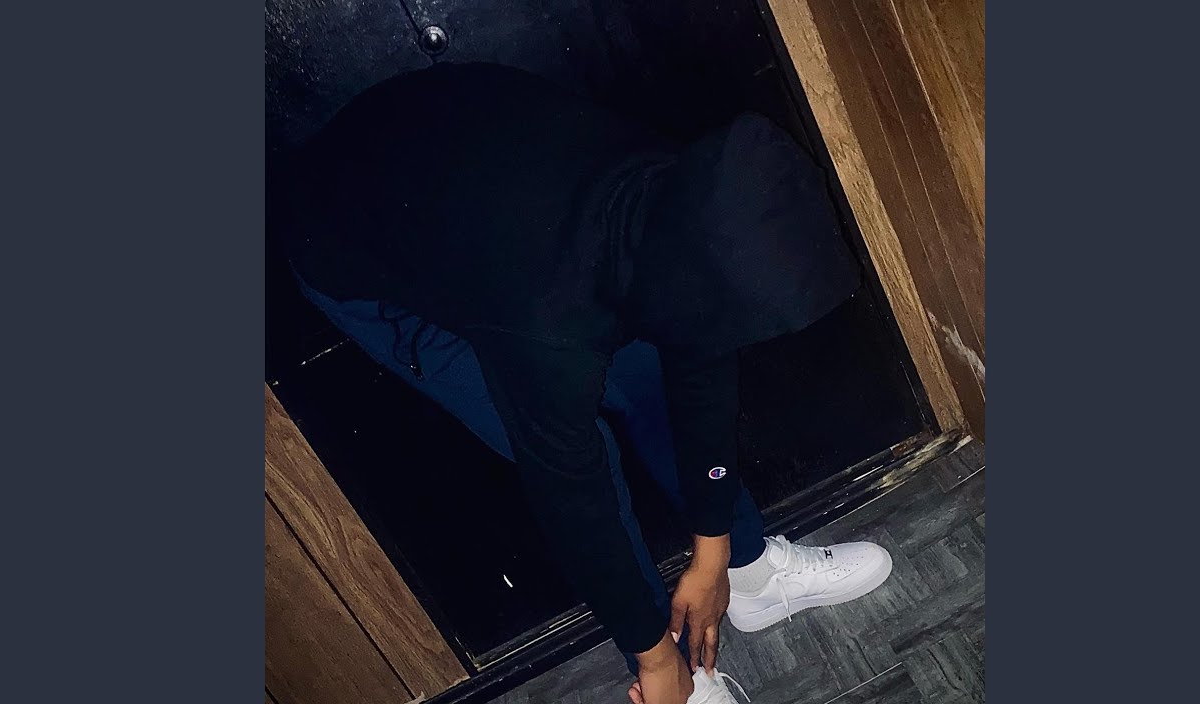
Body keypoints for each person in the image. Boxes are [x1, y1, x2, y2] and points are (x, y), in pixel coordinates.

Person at [283, 62, 894, 704]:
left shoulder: (693, 197)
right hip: (356, 242)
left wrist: (714, 550)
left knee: (655, 383)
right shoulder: (543, 323)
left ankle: (752, 577)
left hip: (463, 168)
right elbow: (577, 504)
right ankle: (677, 677)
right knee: (583, 455)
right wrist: (654, 659)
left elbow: (703, 358)